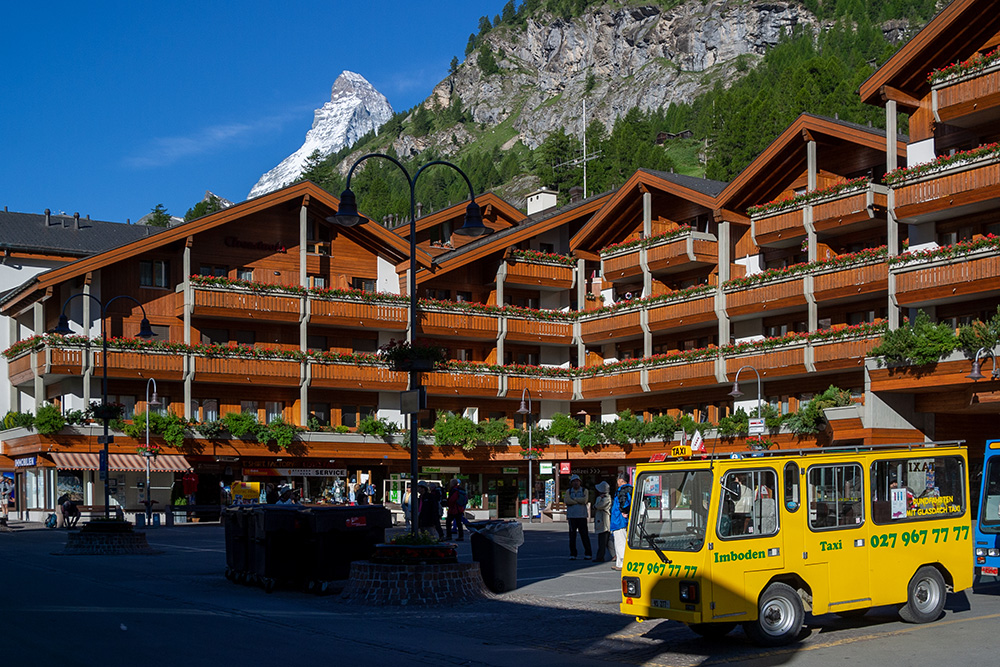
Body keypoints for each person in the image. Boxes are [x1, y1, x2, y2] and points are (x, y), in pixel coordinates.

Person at [563, 474, 592, 560]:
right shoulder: (568, 491)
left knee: (584, 535)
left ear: (580, 482)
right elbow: (566, 500)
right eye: (574, 481)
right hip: (572, 516)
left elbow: (585, 500)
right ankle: (573, 553)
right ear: (571, 483)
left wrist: (574, 500)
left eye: (577, 481)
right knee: (572, 536)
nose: (576, 483)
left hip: (582, 516)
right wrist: (578, 501)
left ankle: (588, 553)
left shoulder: (584, 490)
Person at [611, 473, 632, 571]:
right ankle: (619, 562)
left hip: (619, 520)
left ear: (621, 480)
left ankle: (623, 562)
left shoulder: (622, 490)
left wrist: (624, 511)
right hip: (620, 520)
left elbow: (624, 502)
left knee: (620, 541)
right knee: (620, 541)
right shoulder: (630, 489)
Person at [592, 481, 612, 562]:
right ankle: (614, 555)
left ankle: (600, 556)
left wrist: (599, 499)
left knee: (603, 541)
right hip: (601, 521)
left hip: (604, 522)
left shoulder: (606, 499)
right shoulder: (602, 498)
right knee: (606, 541)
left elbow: (598, 506)